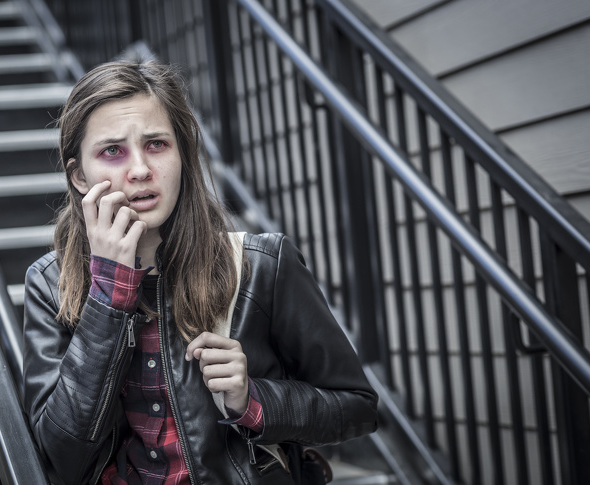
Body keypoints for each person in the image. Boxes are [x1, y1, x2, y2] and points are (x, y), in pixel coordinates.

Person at [22, 59, 378, 485]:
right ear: (80, 175)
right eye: (112, 151)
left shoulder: (260, 266)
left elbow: (357, 407)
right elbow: (61, 457)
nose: (139, 170)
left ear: (182, 154)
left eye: (156, 144)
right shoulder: (50, 285)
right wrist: (109, 296)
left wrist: (253, 400)